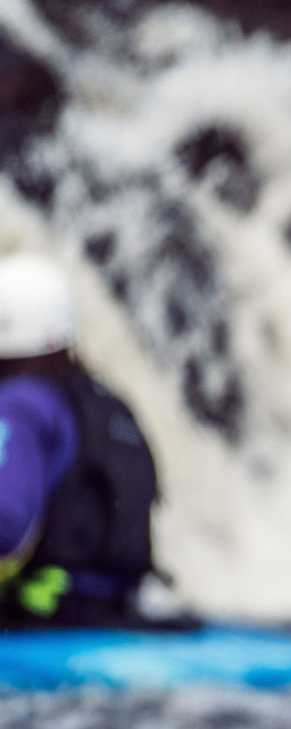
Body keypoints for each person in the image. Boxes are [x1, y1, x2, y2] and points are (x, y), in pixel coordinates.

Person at [0, 253, 158, 628]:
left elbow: (5, 523)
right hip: (117, 614)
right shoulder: (103, 398)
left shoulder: (20, 404)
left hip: (40, 621)